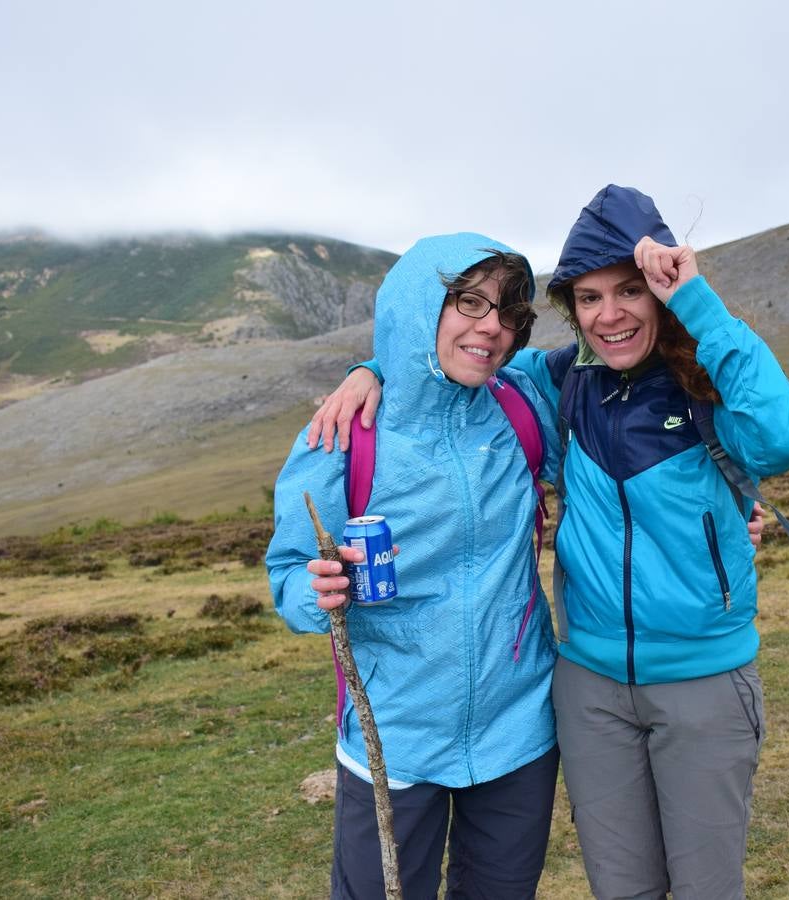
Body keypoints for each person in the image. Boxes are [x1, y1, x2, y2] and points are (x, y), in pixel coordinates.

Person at [313, 186, 789, 899]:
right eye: (587, 298)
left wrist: (698, 302)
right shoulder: (561, 385)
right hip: (588, 688)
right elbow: (453, 359)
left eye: (630, 291)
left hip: (703, 680)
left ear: (660, 292)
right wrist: (368, 370)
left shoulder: (708, 386)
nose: (610, 314)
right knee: (622, 889)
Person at [265, 233, 561, 900]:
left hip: (520, 728)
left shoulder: (520, 403)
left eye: (508, 311)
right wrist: (319, 592)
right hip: (394, 737)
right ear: (420, 306)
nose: (492, 327)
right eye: (468, 302)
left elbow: (620, 382)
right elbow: (287, 570)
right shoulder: (344, 434)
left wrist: (710, 509)